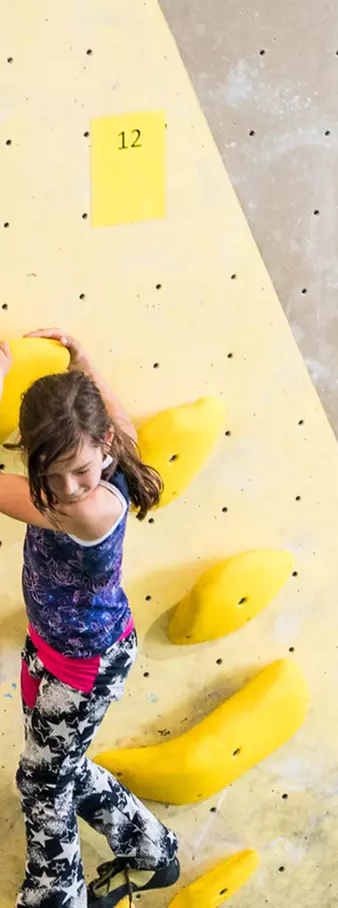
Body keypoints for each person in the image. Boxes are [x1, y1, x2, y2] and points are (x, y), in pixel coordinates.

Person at [0, 331, 181, 906]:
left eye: (77, 470)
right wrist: (85, 361)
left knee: (41, 780)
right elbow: (117, 417)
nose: (65, 488)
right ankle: (154, 853)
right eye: (48, 473)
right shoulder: (109, 449)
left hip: (85, 666)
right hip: (57, 647)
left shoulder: (89, 509)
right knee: (63, 768)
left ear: (102, 447)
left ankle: (58, 897)